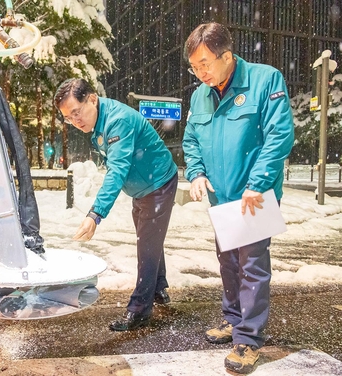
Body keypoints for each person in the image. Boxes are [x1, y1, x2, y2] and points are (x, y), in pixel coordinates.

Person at [182, 23, 294, 374]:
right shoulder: (200, 94)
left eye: (205, 64)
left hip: (253, 198)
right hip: (222, 199)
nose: (200, 73)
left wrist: (258, 182)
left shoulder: (265, 80)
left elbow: (280, 135)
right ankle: (233, 320)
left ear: (227, 56)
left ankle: (248, 338)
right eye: (194, 67)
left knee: (252, 267)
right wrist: (196, 172)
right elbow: (191, 140)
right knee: (228, 263)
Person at [54, 78, 178, 331]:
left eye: (76, 112)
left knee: (147, 244)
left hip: (159, 183)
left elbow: (117, 170)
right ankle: (159, 288)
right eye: (68, 118)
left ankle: (140, 310)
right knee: (149, 239)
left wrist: (96, 213)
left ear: (92, 98)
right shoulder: (99, 122)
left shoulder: (117, 120)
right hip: (143, 186)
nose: (75, 121)